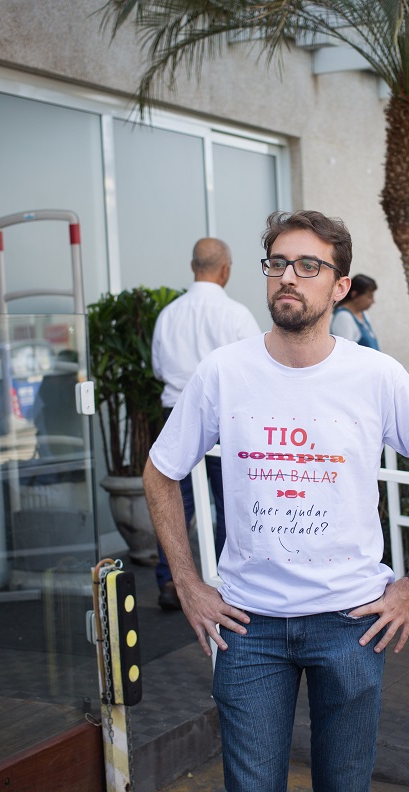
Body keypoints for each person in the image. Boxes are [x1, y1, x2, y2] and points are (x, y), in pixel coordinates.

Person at [144, 210, 409, 792]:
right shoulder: (223, 372)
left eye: (308, 266)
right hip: (248, 626)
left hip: (351, 623)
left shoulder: (376, 375)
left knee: (344, 791)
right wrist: (188, 585)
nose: (288, 277)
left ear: (340, 286)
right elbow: (160, 471)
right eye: (277, 264)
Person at [150, 237, 262, 610]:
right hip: (225, 418)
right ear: (225, 270)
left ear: (193, 266)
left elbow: (158, 369)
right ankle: (227, 581)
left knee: (173, 499)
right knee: (228, 500)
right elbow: (254, 375)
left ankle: (170, 582)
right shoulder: (237, 315)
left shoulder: (168, 314)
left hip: (174, 413)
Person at [330, 272, 379, 349]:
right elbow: (345, 350)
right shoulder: (343, 317)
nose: (373, 301)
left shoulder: (364, 314)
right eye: (369, 297)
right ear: (354, 295)